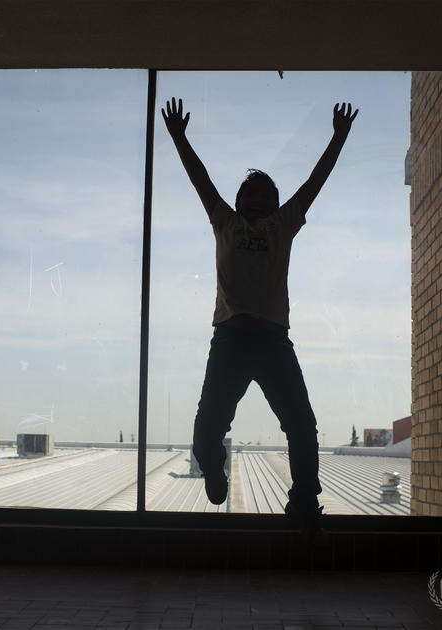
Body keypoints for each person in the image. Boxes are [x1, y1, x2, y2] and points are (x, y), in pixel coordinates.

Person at [161, 97, 358, 539]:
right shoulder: (224, 222)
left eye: (264, 194)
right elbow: (202, 181)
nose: (255, 199)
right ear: (238, 201)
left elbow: (314, 183)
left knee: (302, 426)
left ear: (274, 202)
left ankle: (305, 502)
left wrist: (337, 138)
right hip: (229, 342)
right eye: (249, 194)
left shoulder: (284, 223)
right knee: (205, 429)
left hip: (272, 343)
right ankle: (214, 469)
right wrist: (179, 138)